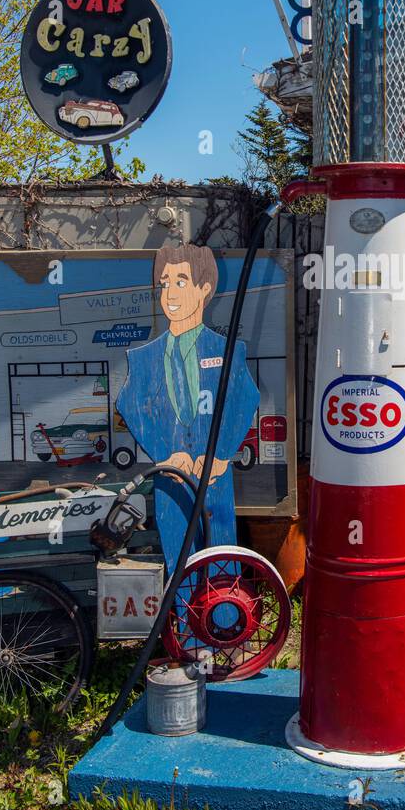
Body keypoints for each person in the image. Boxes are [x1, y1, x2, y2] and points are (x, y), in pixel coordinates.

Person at [116, 244, 259, 575]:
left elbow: (245, 399)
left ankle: (221, 625)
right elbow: (129, 405)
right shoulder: (143, 359)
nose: (169, 293)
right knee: (178, 560)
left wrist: (221, 454)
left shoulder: (228, 351)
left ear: (204, 289)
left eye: (180, 281)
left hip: (215, 478)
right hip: (170, 481)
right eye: (165, 283)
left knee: (221, 562)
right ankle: (182, 625)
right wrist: (164, 454)